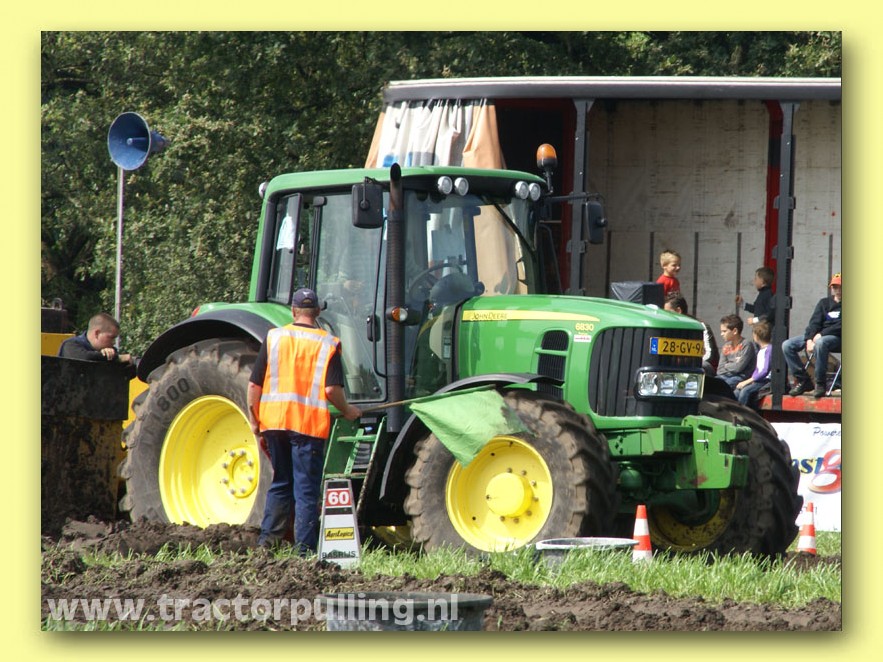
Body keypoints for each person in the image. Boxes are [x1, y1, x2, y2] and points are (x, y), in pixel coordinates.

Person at [247, 287, 362, 553]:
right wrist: (348, 410)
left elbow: (254, 386)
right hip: (307, 426)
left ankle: (267, 544)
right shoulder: (328, 343)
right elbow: (331, 390)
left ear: (293, 311)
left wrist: (255, 421)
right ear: (318, 311)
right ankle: (304, 550)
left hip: (274, 423)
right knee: (306, 489)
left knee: (281, 482)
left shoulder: (274, 337)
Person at [782, 273, 842, 398]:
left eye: (840, 286)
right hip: (817, 336)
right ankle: (803, 380)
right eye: (835, 287)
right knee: (787, 345)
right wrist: (809, 339)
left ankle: (820, 383)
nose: (837, 290)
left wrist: (821, 334)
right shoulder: (824, 303)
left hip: (837, 338)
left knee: (821, 343)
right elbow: (814, 322)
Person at [663, 293, 719, 377]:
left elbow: (709, 355)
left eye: (668, 313)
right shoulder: (670, 329)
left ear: (678, 311)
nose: (666, 316)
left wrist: (690, 363)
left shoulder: (701, 326)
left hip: (702, 368)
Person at [58, 312, 134, 365]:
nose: (113, 342)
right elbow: (85, 358)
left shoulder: (111, 352)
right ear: (97, 333)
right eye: (111, 337)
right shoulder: (70, 345)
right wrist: (116, 358)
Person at [735, 321, 772, 409]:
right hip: (758, 380)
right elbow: (757, 369)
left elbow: (764, 371)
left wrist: (747, 381)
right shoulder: (761, 350)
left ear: (756, 336)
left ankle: (742, 413)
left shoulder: (769, 350)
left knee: (745, 391)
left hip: (765, 381)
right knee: (737, 391)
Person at [716, 314, 756, 390]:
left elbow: (738, 368)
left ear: (735, 331)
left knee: (726, 385)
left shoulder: (746, 345)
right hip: (724, 376)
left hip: (740, 378)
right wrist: (733, 364)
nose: (721, 334)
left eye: (724, 331)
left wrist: (726, 365)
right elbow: (719, 369)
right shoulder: (726, 346)